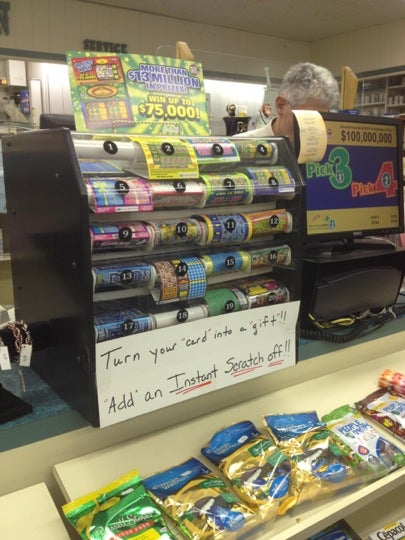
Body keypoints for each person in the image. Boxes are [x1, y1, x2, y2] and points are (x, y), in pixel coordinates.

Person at [235, 62, 340, 149]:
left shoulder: (323, 152)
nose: (313, 129)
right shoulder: (239, 148)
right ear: (281, 106)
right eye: (307, 119)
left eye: (321, 120)